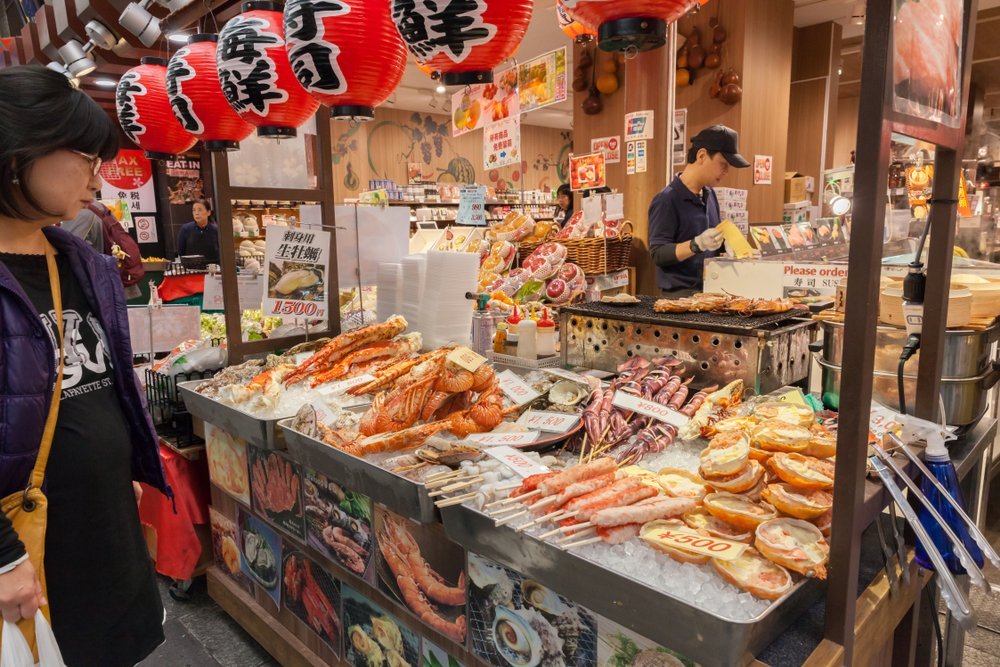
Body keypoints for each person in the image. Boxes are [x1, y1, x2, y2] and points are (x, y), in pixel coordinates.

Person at [0, 65, 170, 666]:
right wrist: (3, 559)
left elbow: (96, 382)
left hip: (101, 531)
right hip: (24, 556)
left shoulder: (76, 258)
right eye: (87, 157)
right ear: (19, 154)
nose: (101, 176)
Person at [648, 125, 750, 297]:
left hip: (711, 289)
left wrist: (728, 246)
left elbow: (713, 247)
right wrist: (696, 244)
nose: (726, 172)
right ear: (702, 155)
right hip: (679, 296)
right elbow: (658, 253)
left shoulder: (710, 195)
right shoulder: (667, 199)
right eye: (723, 164)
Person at [176, 197, 219, 264]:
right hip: (192, 270)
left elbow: (222, 252)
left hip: (213, 270)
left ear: (208, 212)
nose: (196, 213)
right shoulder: (185, 229)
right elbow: (181, 252)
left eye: (200, 210)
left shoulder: (216, 230)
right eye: (194, 210)